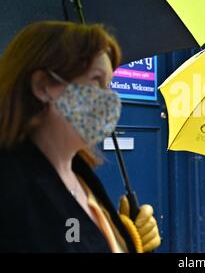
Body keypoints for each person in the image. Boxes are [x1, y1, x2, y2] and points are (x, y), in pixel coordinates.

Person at [0, 21, 160, 253]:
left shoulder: (79, 171)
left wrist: (123, 237)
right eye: (96, 80)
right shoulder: (11, 185)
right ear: (43, 86)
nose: (110, 98)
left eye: (109, 84)